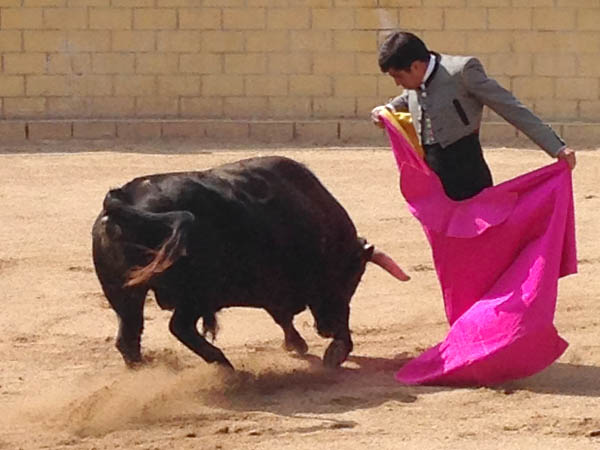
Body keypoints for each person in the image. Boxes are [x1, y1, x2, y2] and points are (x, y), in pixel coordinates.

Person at [371, 31, 576, 201]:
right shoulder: (415, 82)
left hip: (467, 172)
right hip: (432, 174)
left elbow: (510, 106)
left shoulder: (462, 72)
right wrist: (388, 109)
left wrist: (556, 147)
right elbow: (410, 96)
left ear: (415, 66)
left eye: (398, 76)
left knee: (478, 238)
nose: (397, 82)